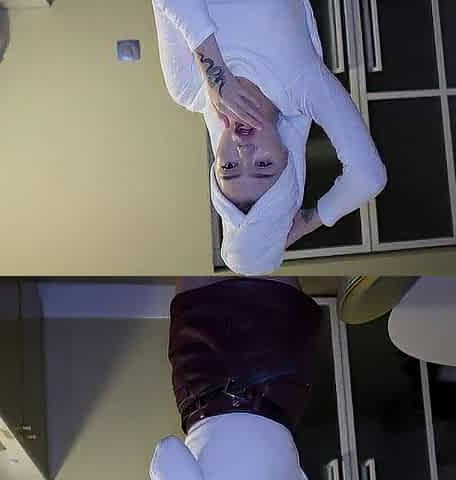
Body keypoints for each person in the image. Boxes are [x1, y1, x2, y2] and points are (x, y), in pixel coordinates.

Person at [152, 0, 387, 275]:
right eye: (263, 165)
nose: (243, 150)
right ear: (287, 159)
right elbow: (368, 177)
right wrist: (299, 225)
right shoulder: (301, 86)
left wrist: (216, 77)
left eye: (229, 167)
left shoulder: (189, 88)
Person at [149, 276, 322, 480]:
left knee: (208, 262)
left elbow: (167, 451)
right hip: (257, 385)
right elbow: (167, 451)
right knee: (259, 265)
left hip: (214, 382)